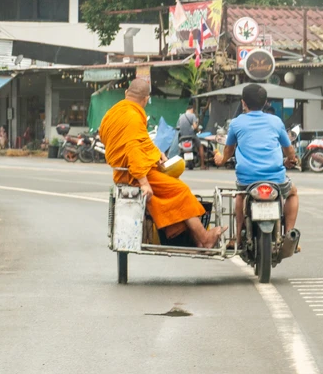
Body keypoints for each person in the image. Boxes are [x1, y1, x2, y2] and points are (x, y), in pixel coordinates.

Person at [101, 79, 226, 248]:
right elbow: (132, 149)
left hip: (123, 171)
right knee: (180, 190)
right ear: (146, 99)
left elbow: (120, 139)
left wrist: (156, 153)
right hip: (134, 174)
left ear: (126, 94)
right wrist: (144, 183)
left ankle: (191, 237)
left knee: (171, 189)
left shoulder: (112, 113)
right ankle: (204, 238)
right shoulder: (132, 116)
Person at [215, 84, 300, 245]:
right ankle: (289, 235)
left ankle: (237, 238)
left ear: (243, 103)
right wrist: (292, 159)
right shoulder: (276, 121)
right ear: (266, 102)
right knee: (293, 193)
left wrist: (221, 160)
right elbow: (288, 149)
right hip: (276, 179)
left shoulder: (236, 123)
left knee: (240, 196)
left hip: (247, 180)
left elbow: (229, 149)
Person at [176, 104, 207, 170]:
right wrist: (197, 130)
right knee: (200, 146)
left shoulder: (181, 117)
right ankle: (202, 165)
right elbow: (195, 126)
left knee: (179, 147)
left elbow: (178, 127)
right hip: (191, 136)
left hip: (182, 137)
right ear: (192, 109)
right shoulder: (192, 115)